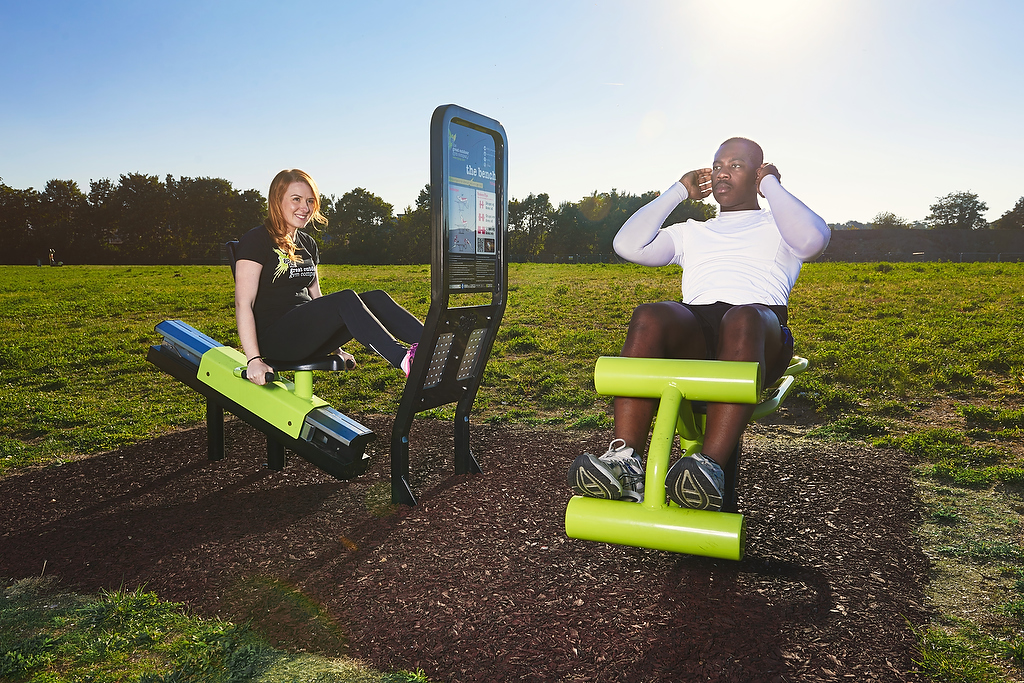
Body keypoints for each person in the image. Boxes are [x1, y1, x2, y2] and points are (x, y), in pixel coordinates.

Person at [567, 138, 830, 510]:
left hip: (758, 331)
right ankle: (625, 463)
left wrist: (771, 184)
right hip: (700, 331)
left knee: (743, 316)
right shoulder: (693, 230)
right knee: (650, 314)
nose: (723, 171)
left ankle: (709, 468)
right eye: (718, 164)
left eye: (736, 165)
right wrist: (678, 191)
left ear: (757, 174)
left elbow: (812, 240)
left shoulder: (781, 225)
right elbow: (627, 245)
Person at [235, 169, 423, 386]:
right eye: (296, 199)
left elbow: (318, 300)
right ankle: (404, 360)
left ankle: (434, 346)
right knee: (345, 298)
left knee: (376, 298)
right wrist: (254, 360)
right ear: (277, 200)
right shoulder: (256, 240)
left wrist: (337, 349)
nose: (305, 208)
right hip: (278, 340)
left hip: (307, 333)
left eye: (310, 201)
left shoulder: (308, 244)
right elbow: (243, 303)